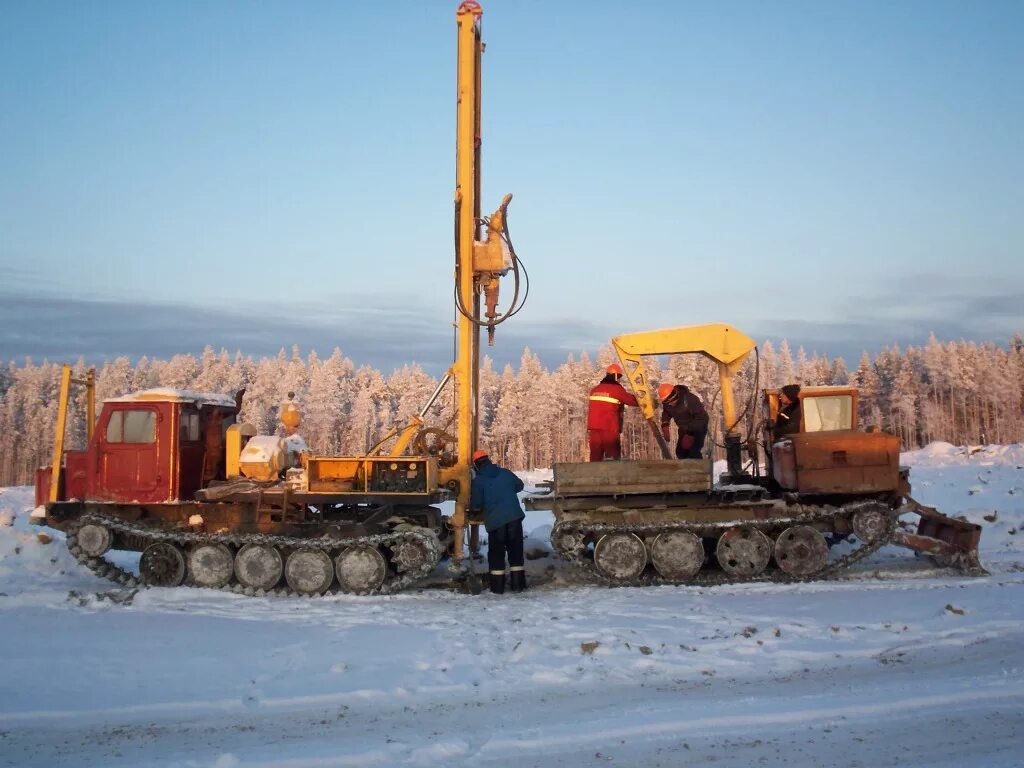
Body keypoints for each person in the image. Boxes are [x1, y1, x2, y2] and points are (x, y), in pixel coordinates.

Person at [469, 449, 527, 594]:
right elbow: (520, 486)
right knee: (516, 552)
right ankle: (518, 585)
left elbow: (476, 505)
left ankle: (497, 587)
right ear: (488, 459)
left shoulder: (478, 481)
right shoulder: (505, 473)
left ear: (476, 465)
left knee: (496, 554)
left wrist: (474, 510)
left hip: (496, 523)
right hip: (514, 519)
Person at [587, 363, 639, 461]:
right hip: (609, 427)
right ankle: (613, 476)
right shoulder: (616, 389)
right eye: (619, 377)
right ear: (615, 376)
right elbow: (631, 400)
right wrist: (645, 401)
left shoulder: (594, 390)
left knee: (595, 456)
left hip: (594, 428)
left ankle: (594, 475)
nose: (620, 380)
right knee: (612, 456)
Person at [658, 383, 709, 459]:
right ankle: (686, 470)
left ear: (675, 396)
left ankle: (699, 469)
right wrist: (665, 424)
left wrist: (690, 433)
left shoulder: (690, 399)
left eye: (671, 401)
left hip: (698, 428)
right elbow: (666, 412)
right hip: (683, 429)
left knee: (693, 451)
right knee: (680, 452)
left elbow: (703, 418)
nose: (670, 404)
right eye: (667, 403)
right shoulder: (667, 403)